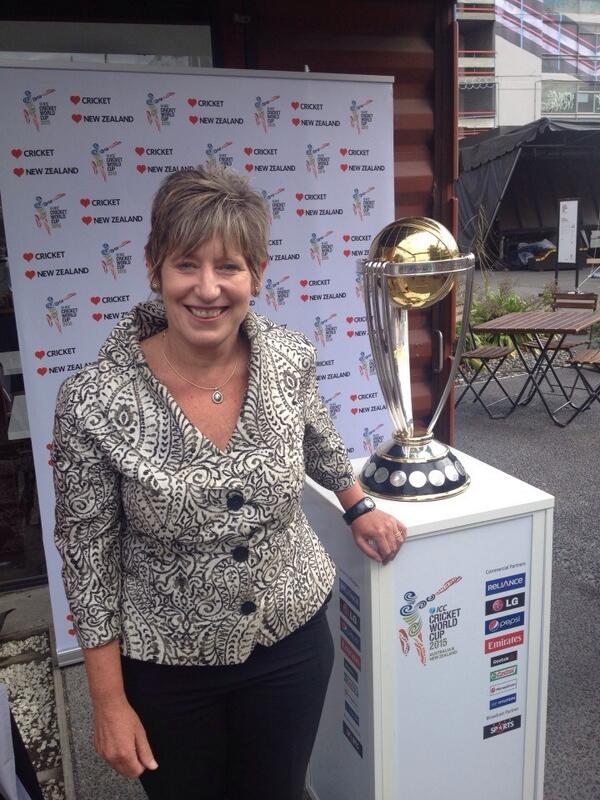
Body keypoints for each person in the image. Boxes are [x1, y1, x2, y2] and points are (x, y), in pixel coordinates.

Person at [52, 166, 406, 800]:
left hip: (291, 641)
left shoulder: (289, 357)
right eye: (187, 264)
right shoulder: (92, 400)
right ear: (154, 268)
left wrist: (359, 507)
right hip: (168, 665)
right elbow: (87, 555)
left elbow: (319, 439)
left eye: (230, 268)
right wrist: (107, 701)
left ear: (257, 275)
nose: (207, 289)